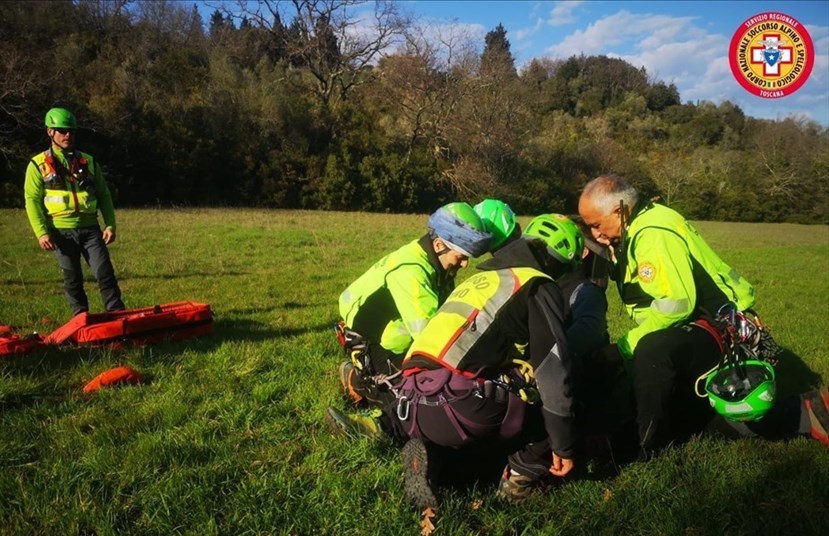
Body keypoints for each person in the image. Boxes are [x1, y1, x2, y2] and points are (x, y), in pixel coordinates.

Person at [577, 173, 829, 456]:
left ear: (619, 210)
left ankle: (647, 447)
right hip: (706, 327)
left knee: (652, 351)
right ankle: (803, 412)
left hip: (721, 330)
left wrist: (624, 348)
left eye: (596, 225)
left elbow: (676, 305)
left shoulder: (653, 233)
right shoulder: (642, 223)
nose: (595, 234)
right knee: (688, 419)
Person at [335, 202, 491, 408]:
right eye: (461, 257)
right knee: (410, 400)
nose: (465, 264)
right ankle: (357, 380)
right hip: (371, 336)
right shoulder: (412, 273)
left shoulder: (437, 263)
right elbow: (429, 337)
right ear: (438, 245)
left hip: (394, 332)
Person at [24, 107, 125, 317]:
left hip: (91, 229)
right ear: (50, 132)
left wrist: (110, 225)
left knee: (105, 274)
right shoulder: (37, 164)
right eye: (62, 130)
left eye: (71, 131)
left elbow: (104, 195)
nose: (68, 135)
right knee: (73, 279)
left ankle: (118, 316)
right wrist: (41, 232)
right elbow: (32, 201)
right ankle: (80, 319)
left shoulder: (88, 161)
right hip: (61, 232)